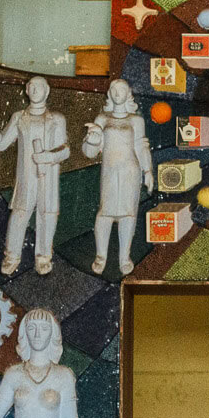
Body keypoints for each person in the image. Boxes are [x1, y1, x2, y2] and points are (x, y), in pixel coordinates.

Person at [0, 76, 69, 276]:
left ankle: (43, 256)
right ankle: (11, 255)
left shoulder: (57, 119)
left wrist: (48, 156)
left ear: (47, 91)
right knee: (20, 214)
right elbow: (2, 144)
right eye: (31, 86)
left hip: (49, 176)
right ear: (26, 91)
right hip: (26, 177)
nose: (35, 89)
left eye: (40, 87)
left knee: (47, 215)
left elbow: (65, 151)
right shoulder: (19, 117)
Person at [82, 79, 154, 276]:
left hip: (130, 171)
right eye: (113, 89)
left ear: (129, 93)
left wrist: (147, 171)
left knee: (128, 214)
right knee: (105, 213)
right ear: (109, 94)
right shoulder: (102, 118)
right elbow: (89, 152)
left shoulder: (135, 120)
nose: (117, 92)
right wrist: (93, 139)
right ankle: (101, 255)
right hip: (110, 171)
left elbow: (141, 146)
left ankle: (124, 257)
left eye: (121, 89)